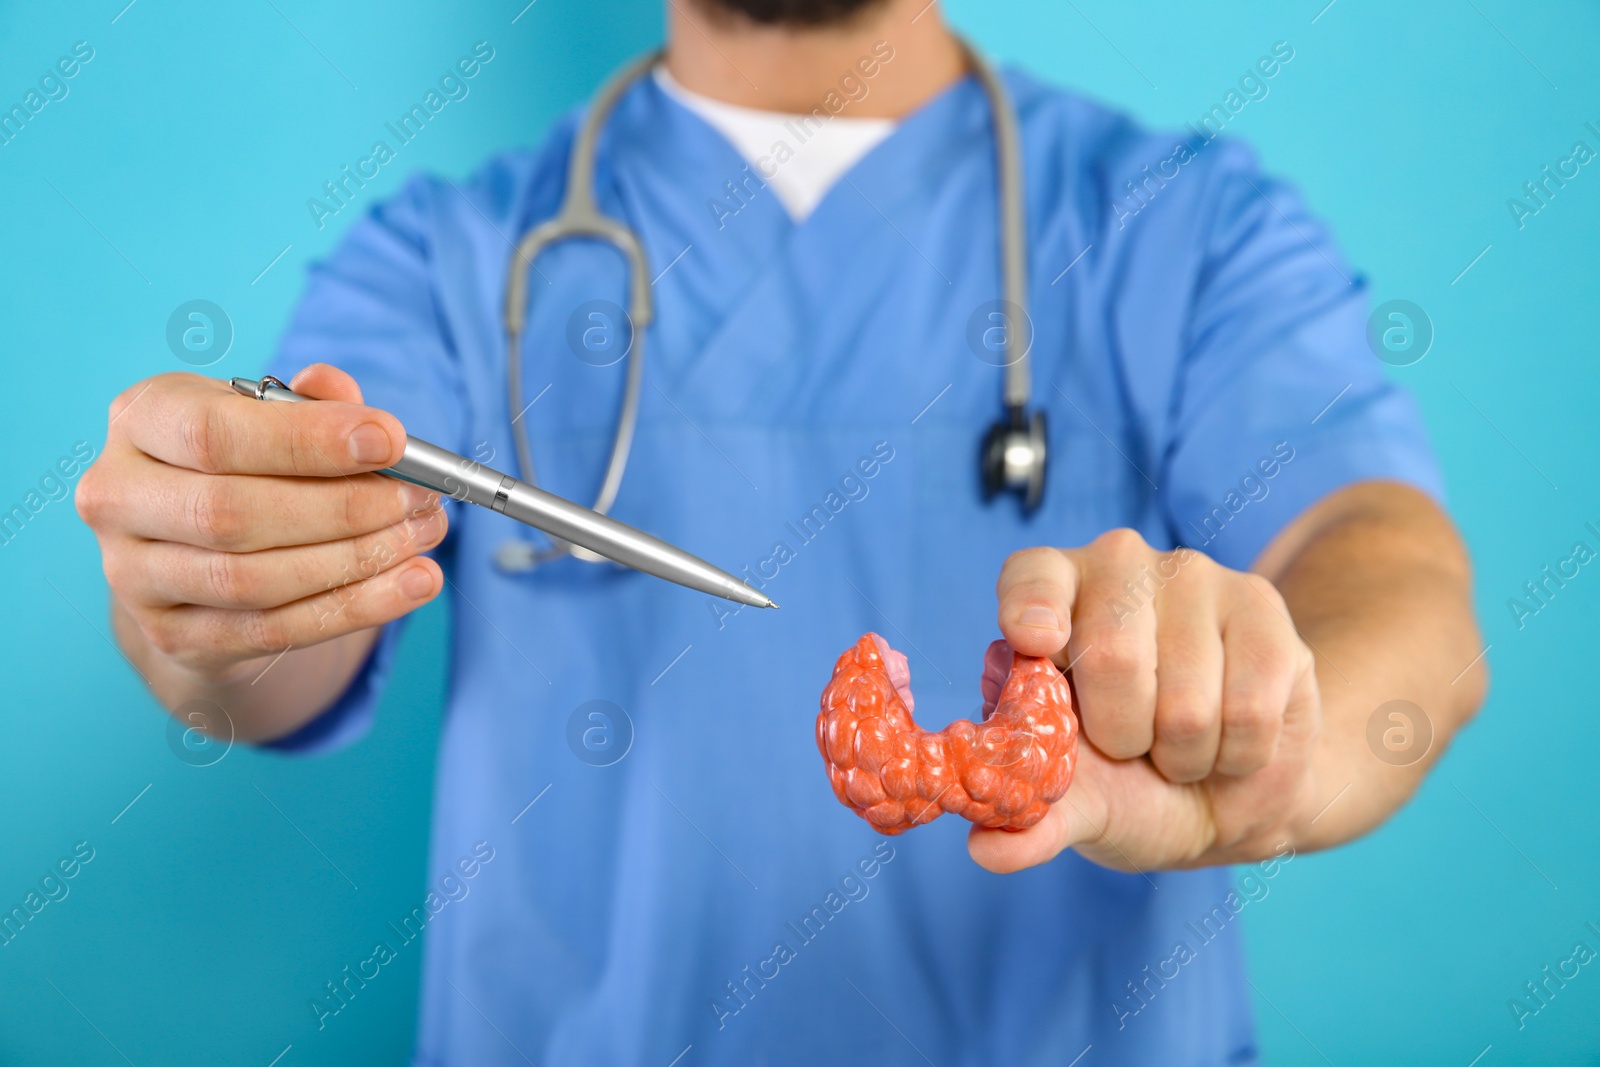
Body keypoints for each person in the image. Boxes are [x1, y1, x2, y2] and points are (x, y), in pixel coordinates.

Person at [75, 0, 1487, 1062]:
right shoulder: (444, 254)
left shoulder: (1187, 227)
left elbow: (1394, 569)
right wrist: (215, 601)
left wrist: (1279, 744)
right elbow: (275, 654)